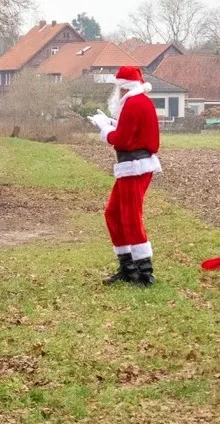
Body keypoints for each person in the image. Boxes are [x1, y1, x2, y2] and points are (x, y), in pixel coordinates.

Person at [89, 66, 161, 287]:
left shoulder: (134, 103)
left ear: (124, 86)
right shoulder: (138, 102)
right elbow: (130, 130)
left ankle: (144, 273)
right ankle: (128, 268)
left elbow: (122, 140)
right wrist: (110, 123)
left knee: (129, 217)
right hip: (132, 166)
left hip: (134, 167)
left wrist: (104, 129)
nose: (117, 91)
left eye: (118, 87)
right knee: (114, 213)